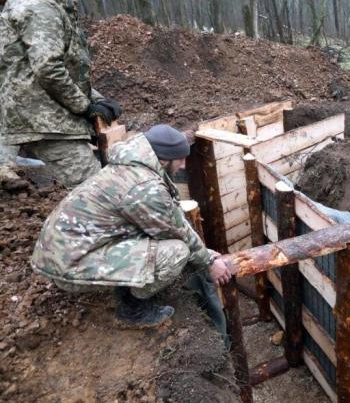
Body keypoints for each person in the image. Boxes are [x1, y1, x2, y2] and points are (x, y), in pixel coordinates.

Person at [31, 125, 232, 328]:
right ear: (164, 159)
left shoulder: (130, 167)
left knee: (161, 240)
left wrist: (204, 253)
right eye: (180, 159)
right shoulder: (145, 189)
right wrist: (208, 262)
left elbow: (172, 219)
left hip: (63, 251)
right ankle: (133, 310)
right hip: (68, 266)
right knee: (176, 252)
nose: (182, 166)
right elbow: (176, 232)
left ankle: (127, 281)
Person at [0, 0, 122, 189]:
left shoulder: (30, 3)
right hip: (43, 118)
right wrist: (84, 107)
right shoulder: (41, 7)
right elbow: (48, 68)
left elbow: (32, 68)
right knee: (99, 188)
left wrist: (96, 99)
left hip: (32, 111)